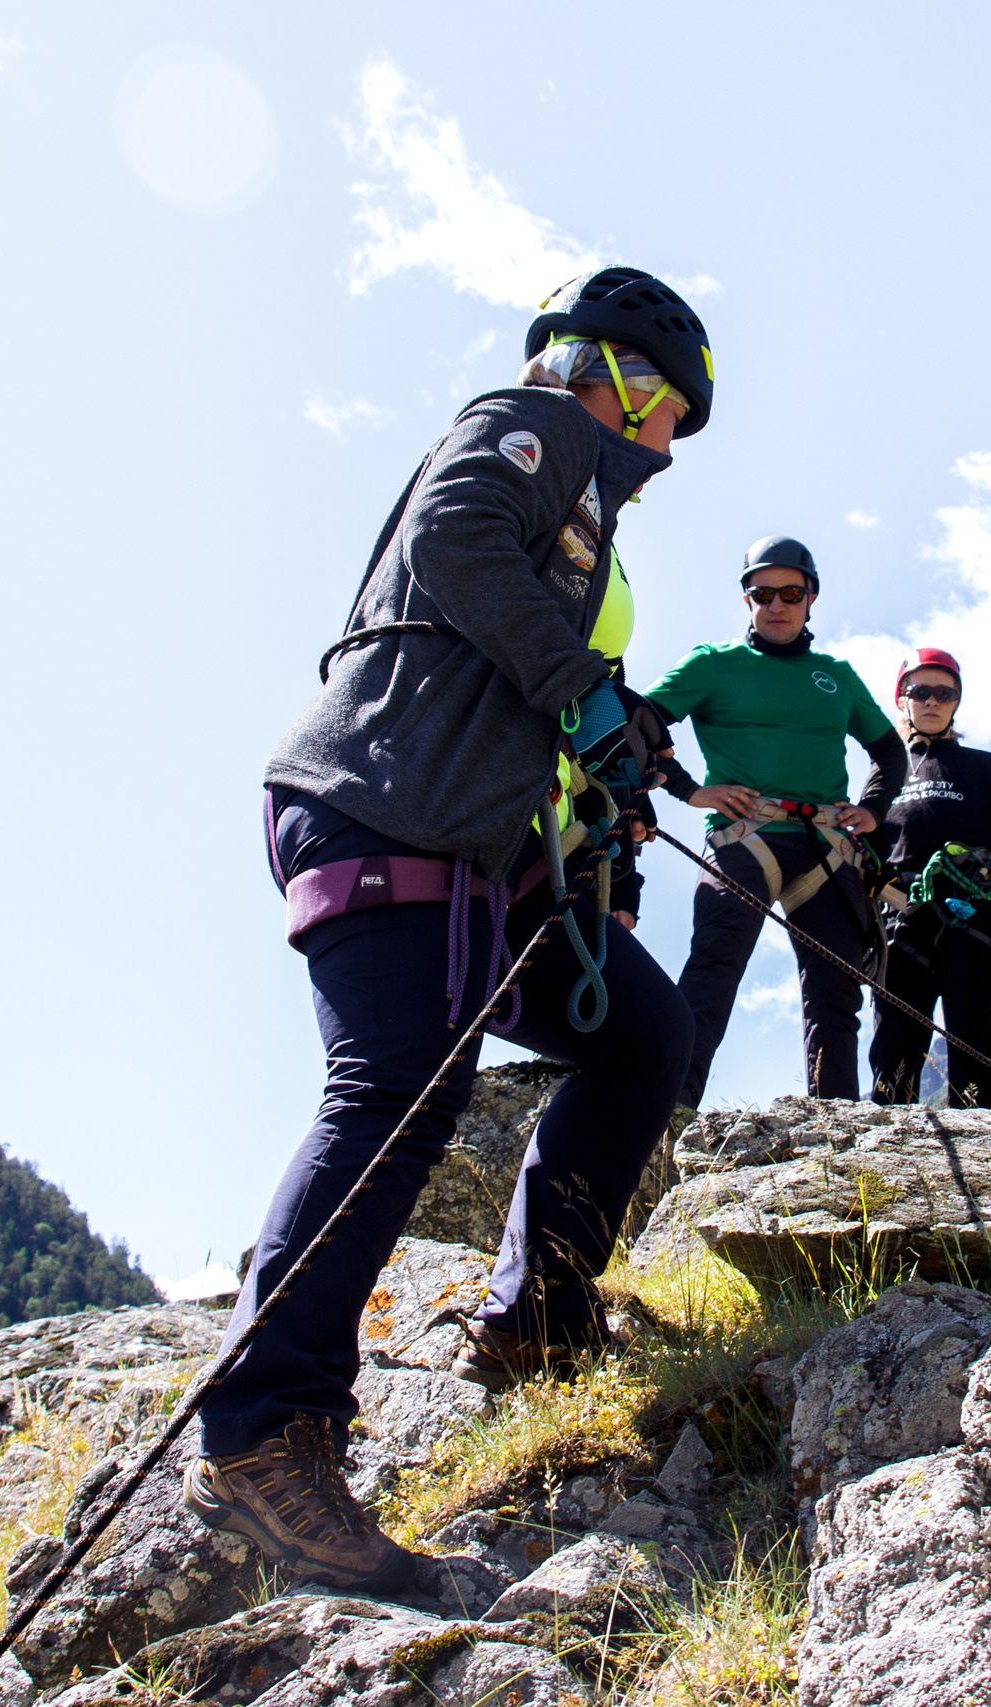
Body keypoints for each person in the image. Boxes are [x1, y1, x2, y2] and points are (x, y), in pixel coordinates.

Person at [188, 267, 709, 1589]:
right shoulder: (526, 428)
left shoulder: (584, 490)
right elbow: (457, 546)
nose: (666, 451)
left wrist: (613, 737)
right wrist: (582, 688)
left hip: (475, 840)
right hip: (382, 803)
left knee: (643, 1034)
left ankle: (536, 1316)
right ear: (626, 379)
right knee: (397, 1092)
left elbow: (513, 640)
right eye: (670, 419)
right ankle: (266, 1430)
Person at [646, 538, 906, 1105]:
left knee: (836, 994)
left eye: (791, 592)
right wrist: (691, 790)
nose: (776, 604)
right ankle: (669, 1114)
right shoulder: (712, 665)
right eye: (762, 593)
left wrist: (873, 808)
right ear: (747, 600)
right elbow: (639, 723)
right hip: (746, 838)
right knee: (713, 970)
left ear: (811, 598)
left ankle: (833, 1128)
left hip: (827, 848)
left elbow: (890, 752)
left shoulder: (834, 675)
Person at [866, 648, 991, 1107]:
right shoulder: (885, 774)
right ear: (902, 699)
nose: (932, 701)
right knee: (895, 1037)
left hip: (973, 916)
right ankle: (890, 1143)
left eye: (945, 692)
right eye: (920, 691)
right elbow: (867, 853)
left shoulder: (986, 767)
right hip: (902, 917)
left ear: (957, 701)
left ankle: (979, 1140)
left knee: (972, 1034)